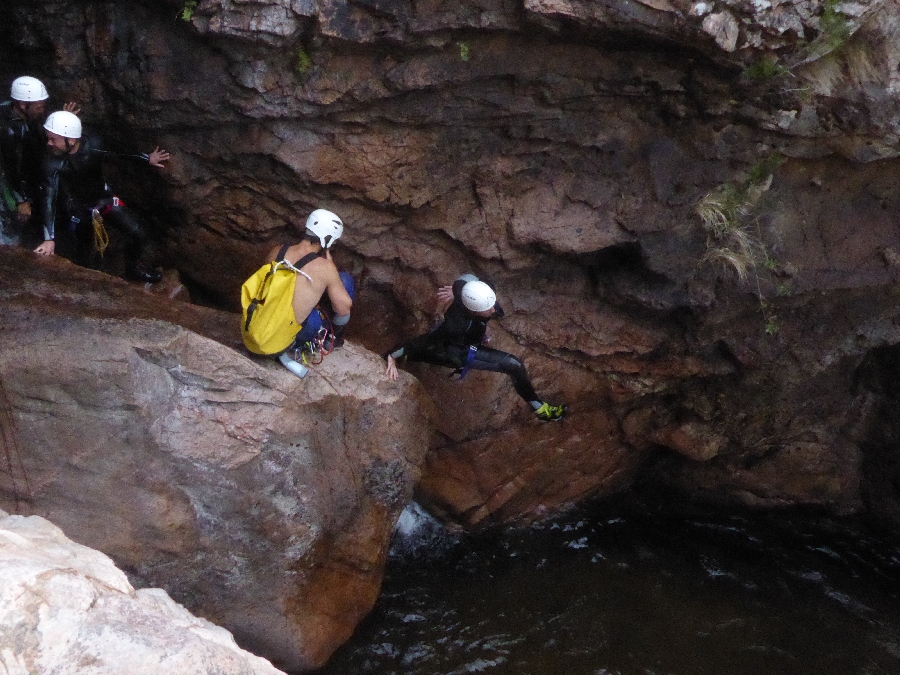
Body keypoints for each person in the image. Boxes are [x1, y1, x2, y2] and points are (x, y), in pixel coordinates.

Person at [385, 275, 567, 421]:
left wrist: (457, 292)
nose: (493, 311)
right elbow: (425, 340)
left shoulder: (473, 288)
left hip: (468, 334)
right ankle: (541, 409)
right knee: (512, 365)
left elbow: (465, 280)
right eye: (487, 310)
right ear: (472, 310)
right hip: (460, 350)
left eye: (492, 305)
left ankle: (416, 356)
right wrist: (392, 355)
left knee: (444, 348)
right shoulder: (456, 325)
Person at [36, 110, 168, 283]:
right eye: (49, 138)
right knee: (85, 256)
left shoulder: (93, 144)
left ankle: (134, 268)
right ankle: (85, 282)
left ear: (72, 140)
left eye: (54, 139)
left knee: (139, 234)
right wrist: (49, 238)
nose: (49, 143)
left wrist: (146, 158)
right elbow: (49, 198)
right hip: (78, 211)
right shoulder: (52, 163)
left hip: (103, 200)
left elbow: (118, 152)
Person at [265, 208, 354, 377]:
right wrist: (331, 269)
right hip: (290, 334)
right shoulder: (324, 267)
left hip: (267, 319)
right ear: (326, 240)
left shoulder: (277, 251)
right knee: (345, 281)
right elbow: (344, 308)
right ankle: (329, 340)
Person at [0, 76, 69, 245]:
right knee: (11, 231)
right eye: (39, 107)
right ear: (23, 105)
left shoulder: (28, 118)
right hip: (7, 183)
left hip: (29, 177)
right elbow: (10, 168)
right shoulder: (7, 130)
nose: (42, 110)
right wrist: (21, 200)